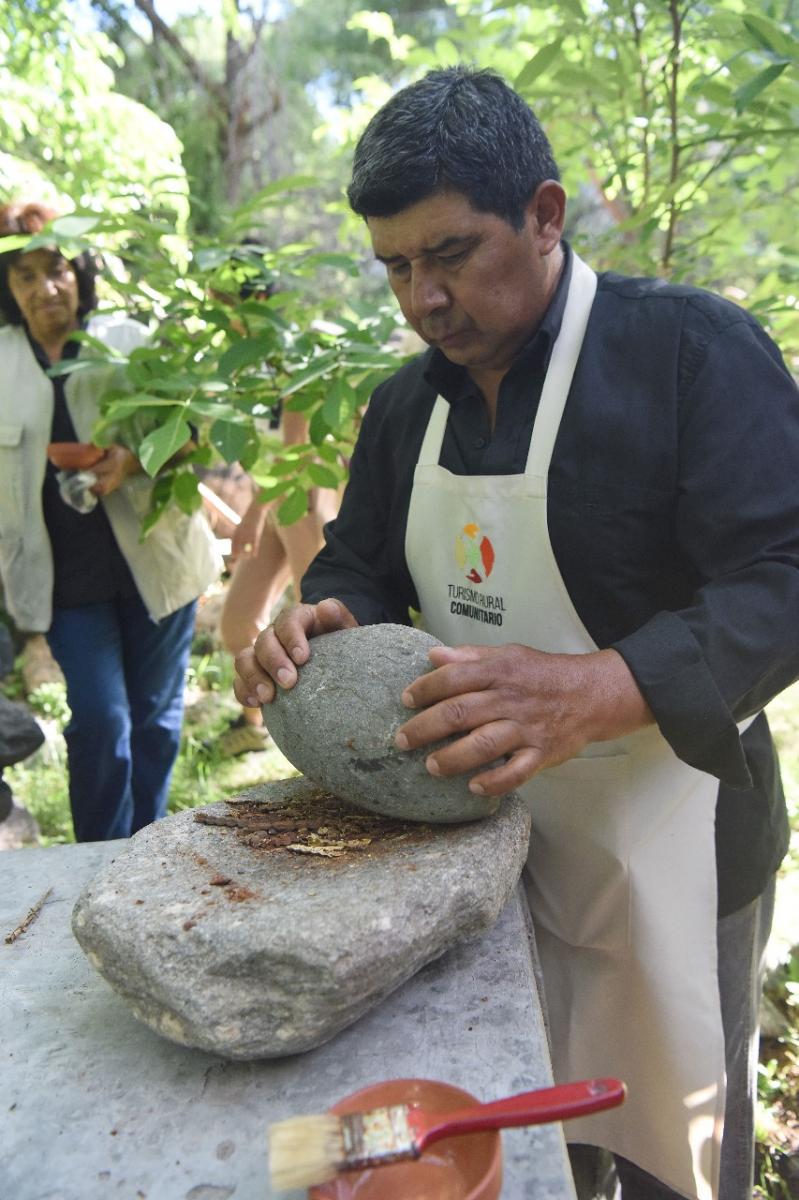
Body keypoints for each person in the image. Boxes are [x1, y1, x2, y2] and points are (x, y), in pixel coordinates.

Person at [234, 68, 799, 1199]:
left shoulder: (688, 356)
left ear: (544, 215)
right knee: (513, 1111)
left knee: (671, 1137)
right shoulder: (406, 405)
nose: (422, 301)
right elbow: (364, 563)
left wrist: (600, 687)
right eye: (396, 266)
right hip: (477, 847)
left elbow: (781, 576)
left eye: (450, 253)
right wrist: (328, 617)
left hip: (679, 841)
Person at [0, 201, 222, 841]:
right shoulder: (4, 361)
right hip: (65, 581)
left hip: (158, 562)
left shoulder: (131, 340)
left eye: (59, 269)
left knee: (154, 719)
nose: (47, 287)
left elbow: (197, 430)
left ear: (82, 272)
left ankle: (145, 850)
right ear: (8, 290)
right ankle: (96, 861)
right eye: (26, 275)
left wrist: (133, 460)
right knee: (100, 720)